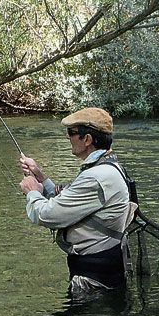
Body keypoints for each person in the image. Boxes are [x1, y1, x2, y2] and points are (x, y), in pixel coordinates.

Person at [19, 107, 138, 299]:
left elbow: (47, 215)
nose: (68, 138)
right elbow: (70, 197)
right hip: (104, 272)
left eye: (71, 133)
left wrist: (32, 192)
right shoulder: (107, 167)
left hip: (94, 280)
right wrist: (40, 176)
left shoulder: (96, 177)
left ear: (88, 139)